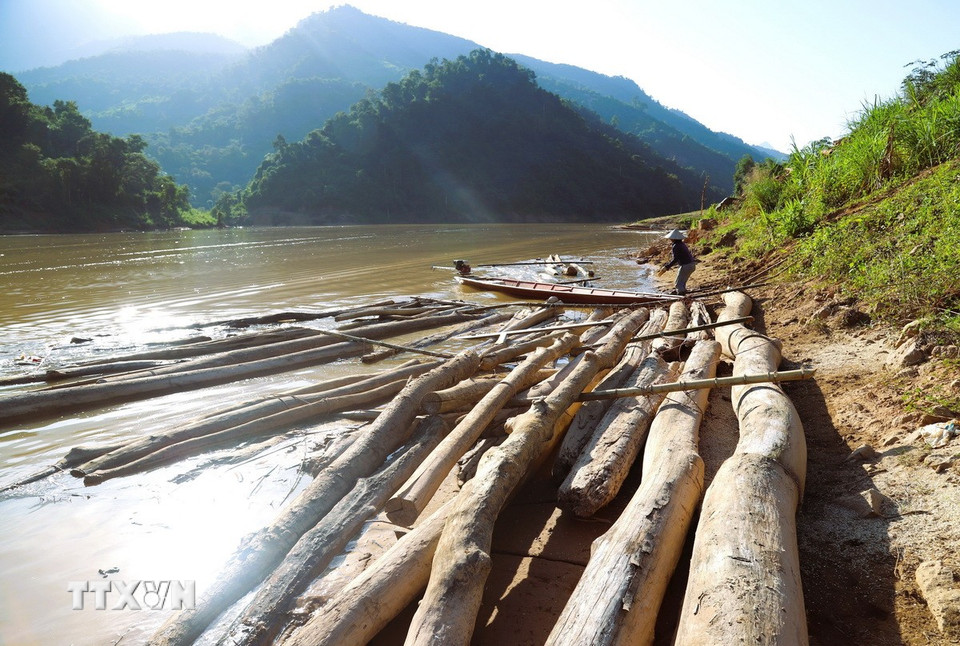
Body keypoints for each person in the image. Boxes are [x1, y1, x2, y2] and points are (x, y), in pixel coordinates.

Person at [661, 229, 696, 295]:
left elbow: (675, 259)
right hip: (692, 265)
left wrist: (667, 266)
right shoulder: (682, 244)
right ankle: (683, 292)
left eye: (671, 238)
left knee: (678, 284)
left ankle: (681, 296)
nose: (670, 239)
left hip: (685, 265)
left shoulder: (676, 246)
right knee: (682, 282)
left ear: (673, 238)